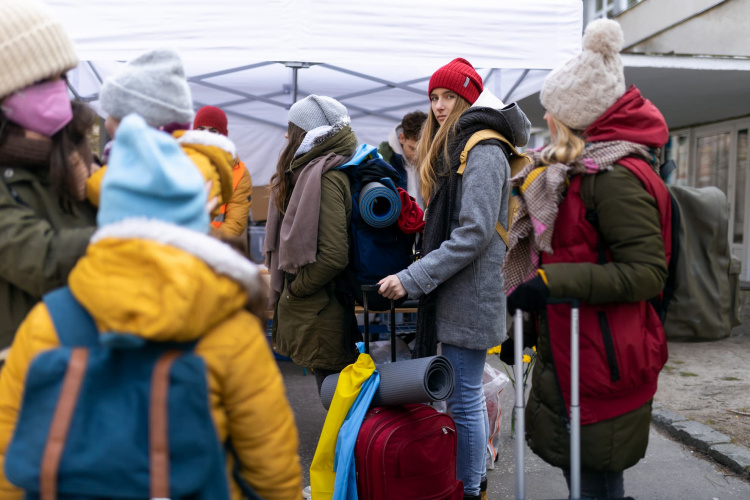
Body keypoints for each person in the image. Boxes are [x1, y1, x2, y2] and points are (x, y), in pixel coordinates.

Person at [0, 114, 303, 500]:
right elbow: (271, 468)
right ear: (196, 220)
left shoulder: (48, 321)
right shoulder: (229, 329)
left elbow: (10, 455)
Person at [502, 19, 670, 499]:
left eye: (552, 112)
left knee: (596, 483)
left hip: (606, 355)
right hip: (577, 347)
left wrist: (549, 282)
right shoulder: (573, 172)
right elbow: (571, 253)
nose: (546, 121)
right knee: (585, 479)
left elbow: (645, 272)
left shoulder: (615, 177)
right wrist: (529, 329)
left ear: (573, 117)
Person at [377, 58, 531, 499]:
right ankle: (466, 483)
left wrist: (413, 276)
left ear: (469, 97)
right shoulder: (461, 146)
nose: (440, 106)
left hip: (471, 292)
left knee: (463, 398)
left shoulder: (482, 148)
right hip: (459, 290)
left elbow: (474, 233)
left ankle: (470, 489)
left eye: (449, 97)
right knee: (459, 396)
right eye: (434, 98)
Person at [0, 0, 98, 349]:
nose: (59, 89)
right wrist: (136, 231)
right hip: (22, 370)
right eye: (43, 79)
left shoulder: (81, 156)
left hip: (91, 360)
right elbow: (44, 260)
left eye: (63, 77)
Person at [264, 95, 359, 393]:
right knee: (333, 396)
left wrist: (297, 289)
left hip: (322, 309)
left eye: (290, 127)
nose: (284, 134)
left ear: (306, 134)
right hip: (319, 308)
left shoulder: (325, 177)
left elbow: (333, 255)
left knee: (334, 399)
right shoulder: (310, 173)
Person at [85, 49, 235, 217]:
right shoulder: (169, 158)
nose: (107, 125)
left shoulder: (189, 162)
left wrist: (87, 176)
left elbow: (113, 191)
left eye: (114, 116)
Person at [193, 105, 253, 237]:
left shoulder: (239, 172)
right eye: (201, 129)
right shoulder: (179, 160)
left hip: (213, 247)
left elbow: (235, 223)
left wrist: (206, 242)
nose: (206, 135)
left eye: (213, 131)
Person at [378, 110, 428, 207]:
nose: (417, 155)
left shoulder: (434, 157)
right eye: (412, 148)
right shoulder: (384, 160)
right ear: (402, 138)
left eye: (421, 149)